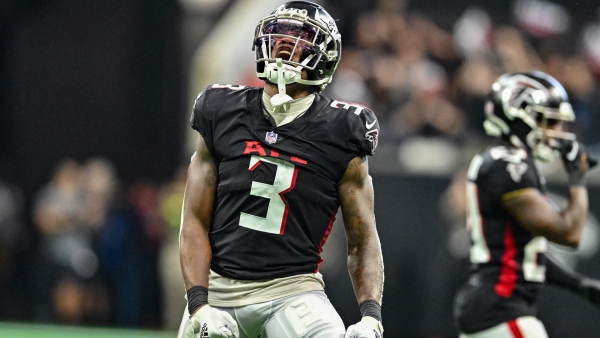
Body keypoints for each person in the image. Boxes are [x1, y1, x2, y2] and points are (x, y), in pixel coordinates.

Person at [177, 2, 384, 338]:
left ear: (326, 55)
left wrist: (370, 315)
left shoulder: (342, 128)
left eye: (300, 36)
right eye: (280, 34)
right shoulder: (220, 109)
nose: (285, 43)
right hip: (220, 289)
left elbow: (362, 240)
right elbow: (194, 220)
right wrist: (200, 304)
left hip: (292, 290)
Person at [453, 71, 600, 338]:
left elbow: (524, 253)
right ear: (519, 116)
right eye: (548, 122)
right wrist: (577, 178)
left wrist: (578, 285)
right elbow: (569, 234)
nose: (556, 133)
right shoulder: (509, 165)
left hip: (493, 308)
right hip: (501, 309)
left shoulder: (505, 161)